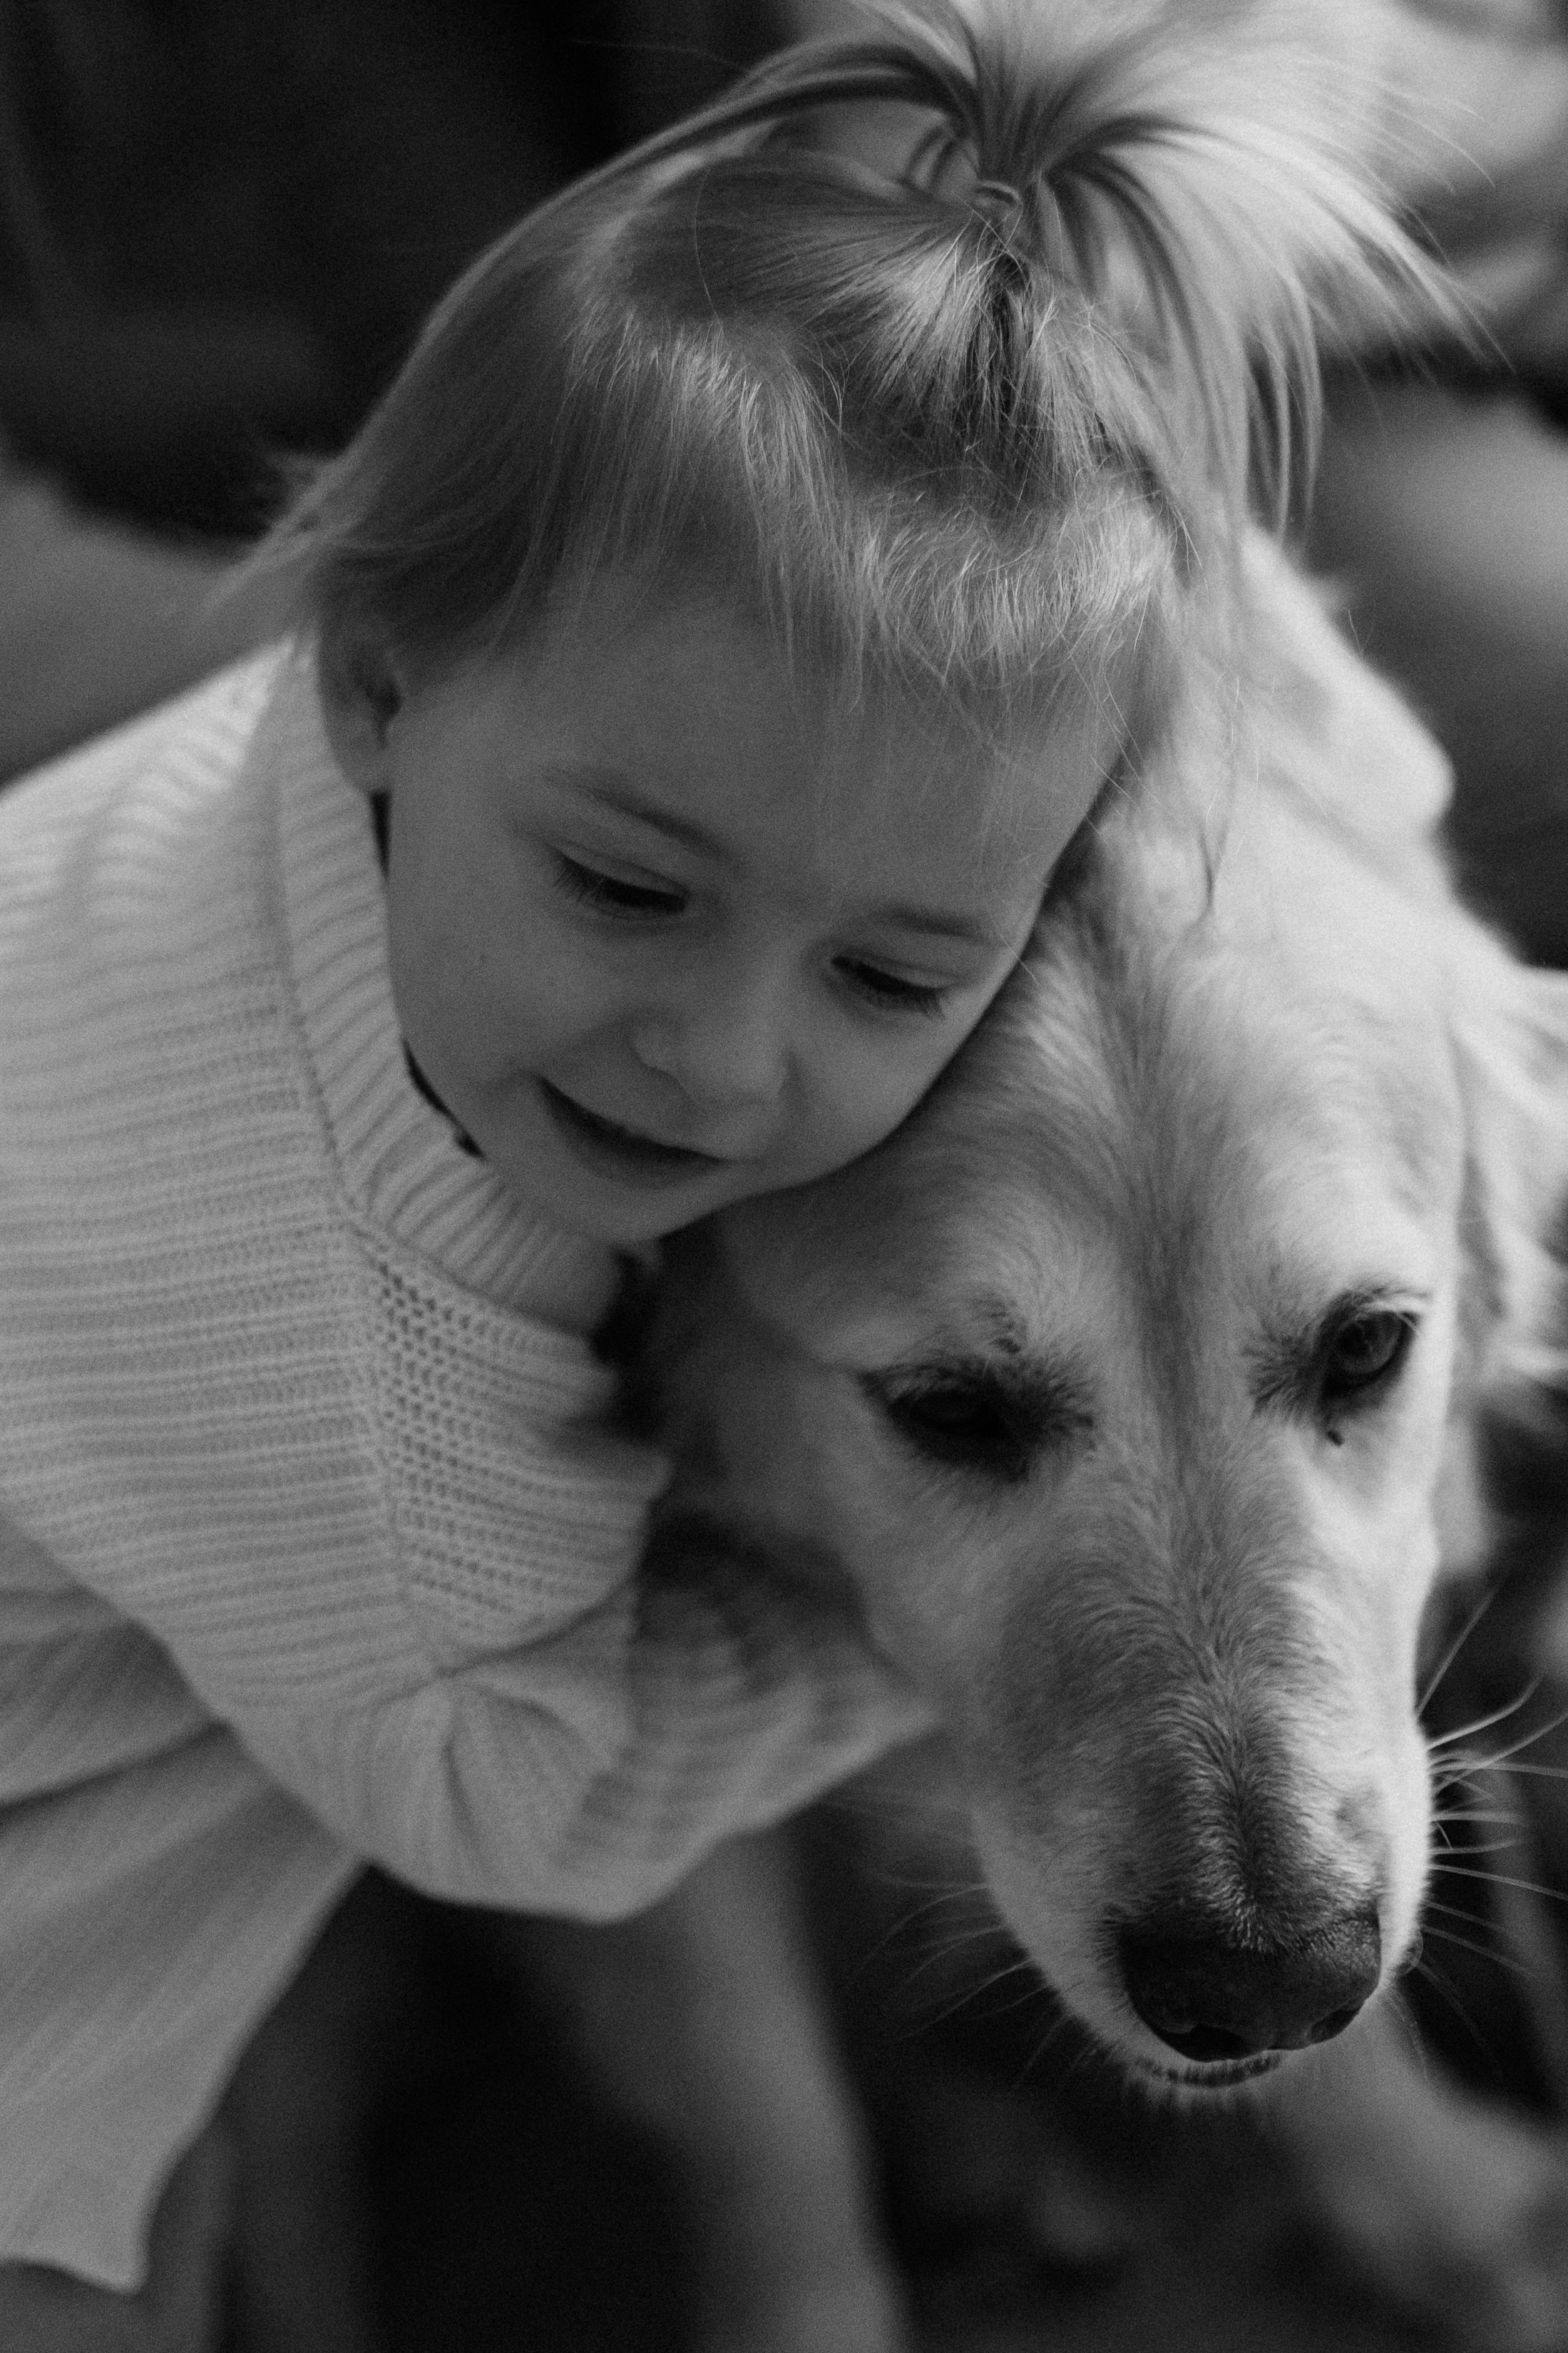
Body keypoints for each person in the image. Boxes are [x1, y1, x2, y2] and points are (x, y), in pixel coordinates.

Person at [0, 2, 1433, 2339]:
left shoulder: (530, 715)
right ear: (362, 675)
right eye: (641, 895)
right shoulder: (379, 1319)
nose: (732, 1068)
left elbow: (1267, 695)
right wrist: (896, 1663)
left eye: (891, 971)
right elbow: (519, 1799)